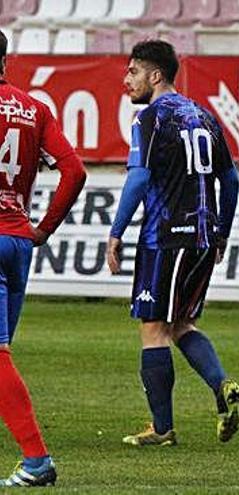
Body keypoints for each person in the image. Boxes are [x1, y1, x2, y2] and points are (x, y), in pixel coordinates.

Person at [106, 40, 239, 448]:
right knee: (181, 323)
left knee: (153, 329)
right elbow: (231, 180)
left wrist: (116, 231)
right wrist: (222, 233)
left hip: (165, 237)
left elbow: (140, 178)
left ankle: (162, 428)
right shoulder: (204, 116)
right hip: (202, 237)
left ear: (155, 76)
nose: (126, 80)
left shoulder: (149, 119)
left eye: (133, 72)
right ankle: (221, 385)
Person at [0, 30, 87, 487]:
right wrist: (44, 229)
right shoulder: (34, 109)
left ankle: (36, 460)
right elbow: (74, 170)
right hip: (17, 243)